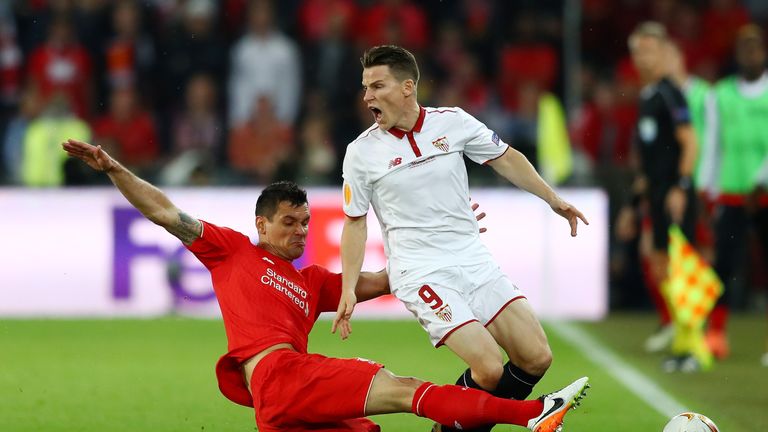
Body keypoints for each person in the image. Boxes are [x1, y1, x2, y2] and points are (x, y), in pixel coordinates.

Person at [61, 138, 590, 432]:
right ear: (261, 224)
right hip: (281, 374)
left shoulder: (312, 282)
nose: (299, 232)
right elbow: (164, 211)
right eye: (288, 223)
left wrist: (444, 233)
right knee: (408, 390)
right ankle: (531, 415)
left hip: (280, 405)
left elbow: (389, 278)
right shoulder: (232, 251)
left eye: (305, 224)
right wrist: (113, 169)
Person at [335, 45, 589, 432]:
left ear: (408, 87)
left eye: (377, 85)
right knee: (487, 367)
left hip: (472, 258)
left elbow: (505, 157)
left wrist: (552, 199)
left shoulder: (451, 122)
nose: (367, 95)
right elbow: (355, 223)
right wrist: (348, 286)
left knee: (535, 356)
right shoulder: (361, 152)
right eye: (365, 87)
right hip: (420, 272)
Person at [622, 22, 698, 363]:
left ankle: (691, 345)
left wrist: (681, 187)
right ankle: (682, 338)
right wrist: (632, 204)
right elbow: (650, 161)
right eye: (639, 51)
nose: (644, 57)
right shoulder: (648, 95)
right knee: (661, 264)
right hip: (656, 192)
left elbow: (689, 142)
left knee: (681, 268)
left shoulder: (669, 92)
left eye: (650, 50)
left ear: (663, 53)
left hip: (672, 192)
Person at [700, 24, 768, 361]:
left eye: (755, 48)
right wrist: (705, 190)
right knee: (723, 267)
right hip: (730, 192)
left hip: (764, 193)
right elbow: (712, 146)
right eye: (744, 48)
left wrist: (762, 179)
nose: (750, 54)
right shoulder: (720, 95)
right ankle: (715, 334)